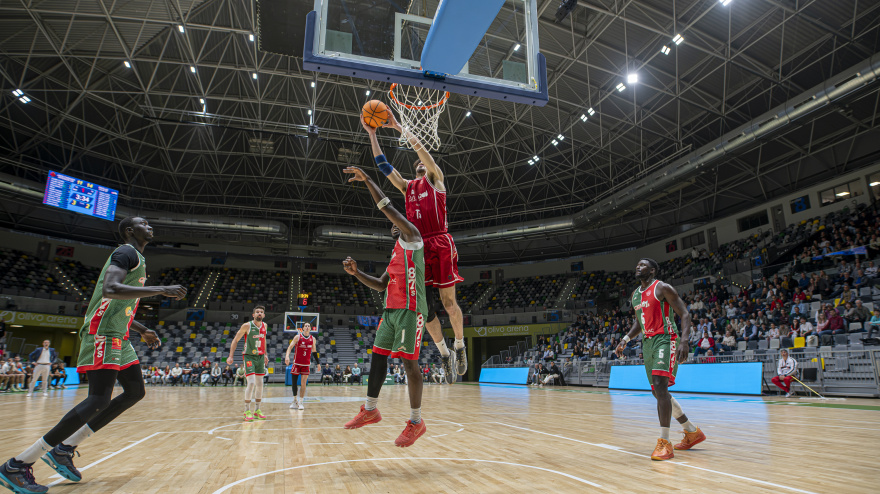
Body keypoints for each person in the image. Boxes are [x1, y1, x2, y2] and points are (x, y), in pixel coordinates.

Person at [0, 217, 185, 493]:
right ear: (129, 231)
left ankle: (65, 448)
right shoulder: (125, 252)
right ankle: (17, 464)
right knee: (98, 399)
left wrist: (143, 328)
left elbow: (112, 300)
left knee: (135, 392)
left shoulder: (138, 259)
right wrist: (161, 289)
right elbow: (111, 289)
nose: (149, 225)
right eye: (143, 223)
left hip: (119, 335)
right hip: (103, 333)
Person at [363, 112, 466, 380]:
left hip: (441, 242)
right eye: (416, 163)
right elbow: (384, 167)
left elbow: (423, 151)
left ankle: (459, 345)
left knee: (449, 303)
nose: (419, 163)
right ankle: (444, 352)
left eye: (422, 161)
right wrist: (372, 133)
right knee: (426, 309)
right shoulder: (407, 187)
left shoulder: (436, 179)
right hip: (419, 247)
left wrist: (399, 127)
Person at [341, 165, 427, 447]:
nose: (394, 222)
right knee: (378, 356)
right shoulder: (395, 254)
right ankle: (370, 409)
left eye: (397, 219)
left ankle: (416, 421)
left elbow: (385, 205)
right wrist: (356, 274)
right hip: (390, 311)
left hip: (411, 311)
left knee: (409, 365)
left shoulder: (413, 237)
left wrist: (367, 179)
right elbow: (380, 284)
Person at [616, 258, 705, 461]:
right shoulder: (635, 295)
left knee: (660, 386)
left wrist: (684, 341)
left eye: (642, 265)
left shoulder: (662, 288)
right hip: (647, 343)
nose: (637, 267)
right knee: (658, 392)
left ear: (652, 270)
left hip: (666, 338)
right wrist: (625, 339)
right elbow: (640, 322)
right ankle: (691, 431)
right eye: (636, 264)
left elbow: (684, 314)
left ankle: (665, 442)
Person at [226, 306, 270, 422]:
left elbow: (264, 340)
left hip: (260, 357)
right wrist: (231, 356)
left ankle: (257, 410)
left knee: (260, 384)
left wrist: (265, 354)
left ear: (264, 315)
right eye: (257, 312)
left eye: (261, 312)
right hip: (249, 356)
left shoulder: (265, 326)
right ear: (253, 315)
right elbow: (235, 340)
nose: (259, 313)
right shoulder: (247, 326)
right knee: (251, 383)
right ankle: (246, 411)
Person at [285, 323, 319, 410]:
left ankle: (301, 402)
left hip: (306, 364)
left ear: (310, 328)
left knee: (303, 383)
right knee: (294, 383)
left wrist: (318, 363)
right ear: (303, 328)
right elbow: (290, 347)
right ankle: (294, 400)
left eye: (309, 326)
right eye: (306, 326)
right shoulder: (298, 337)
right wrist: (287, 356)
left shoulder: (313, 339)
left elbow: (314, 352)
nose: (307, 327)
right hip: (296, 363)